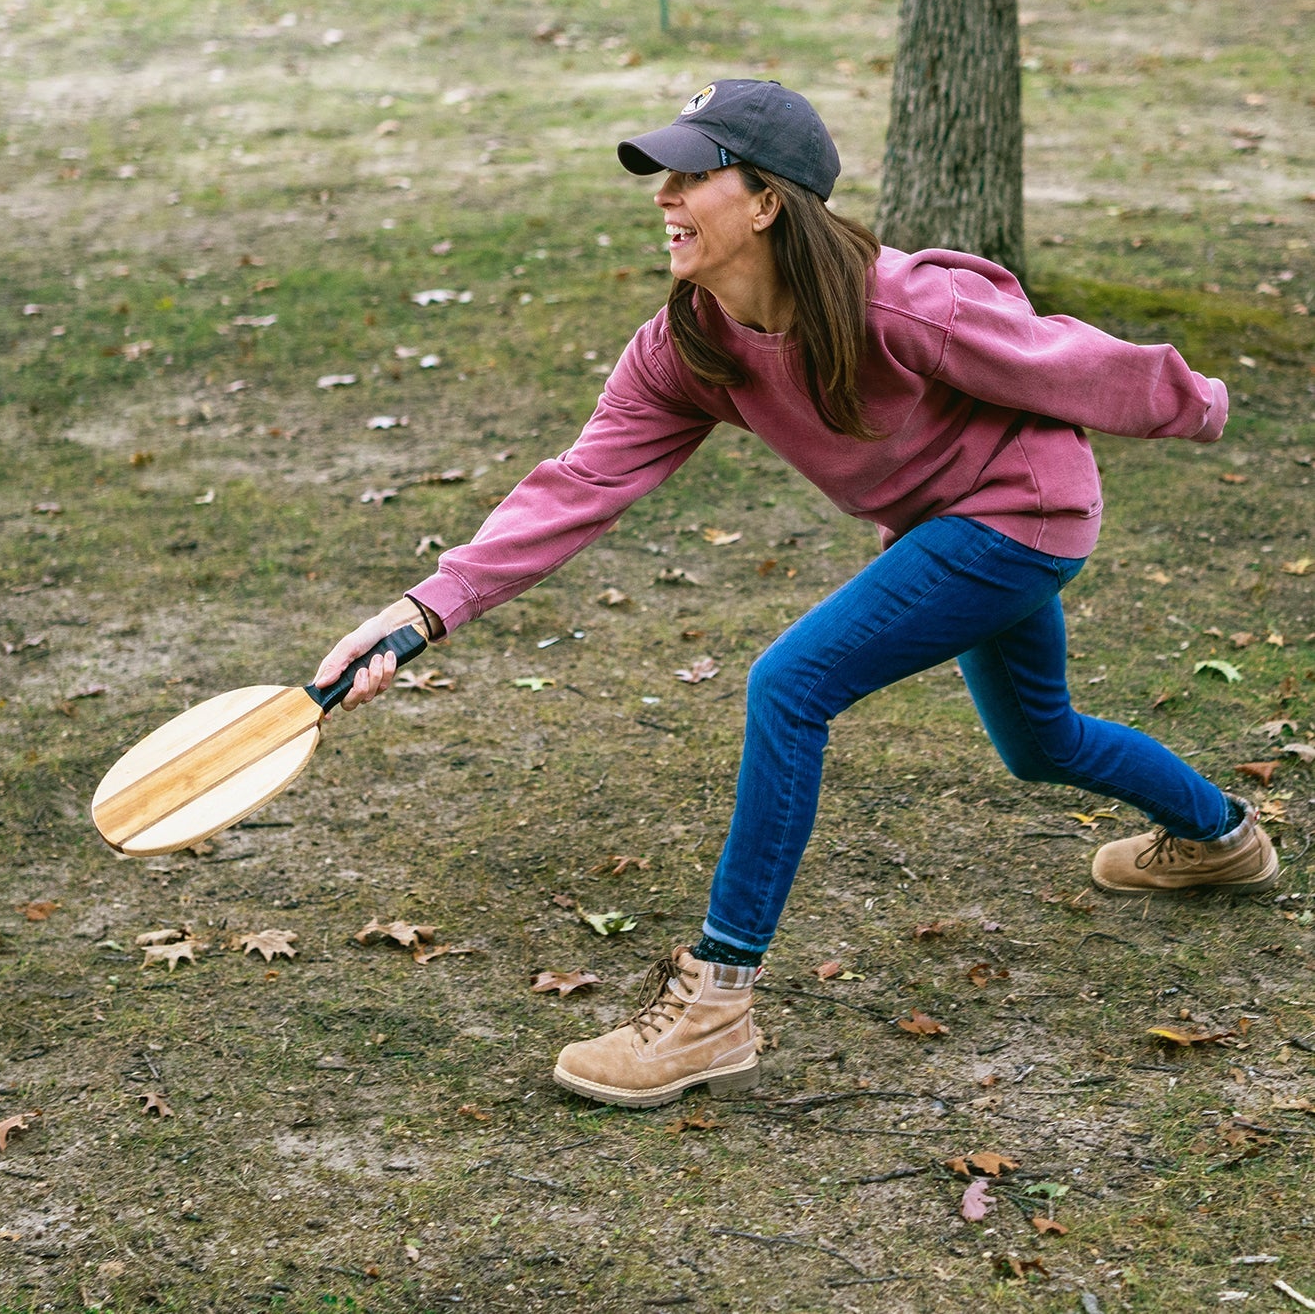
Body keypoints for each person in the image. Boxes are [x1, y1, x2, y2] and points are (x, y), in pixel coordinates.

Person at [314, 79, 1276, 1110]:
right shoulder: (689, 344)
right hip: (946, 531)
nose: (664, 196)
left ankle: (716, 1003)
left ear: (768, 200)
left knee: (790, 684)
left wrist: (1204, 405)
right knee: (1040, 743)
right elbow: (580, 483)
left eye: (693, 175)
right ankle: (1222, 837)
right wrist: (420, 614)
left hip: (1022, 515)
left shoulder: (898, 302)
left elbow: (1071, 361)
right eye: (661, 176)